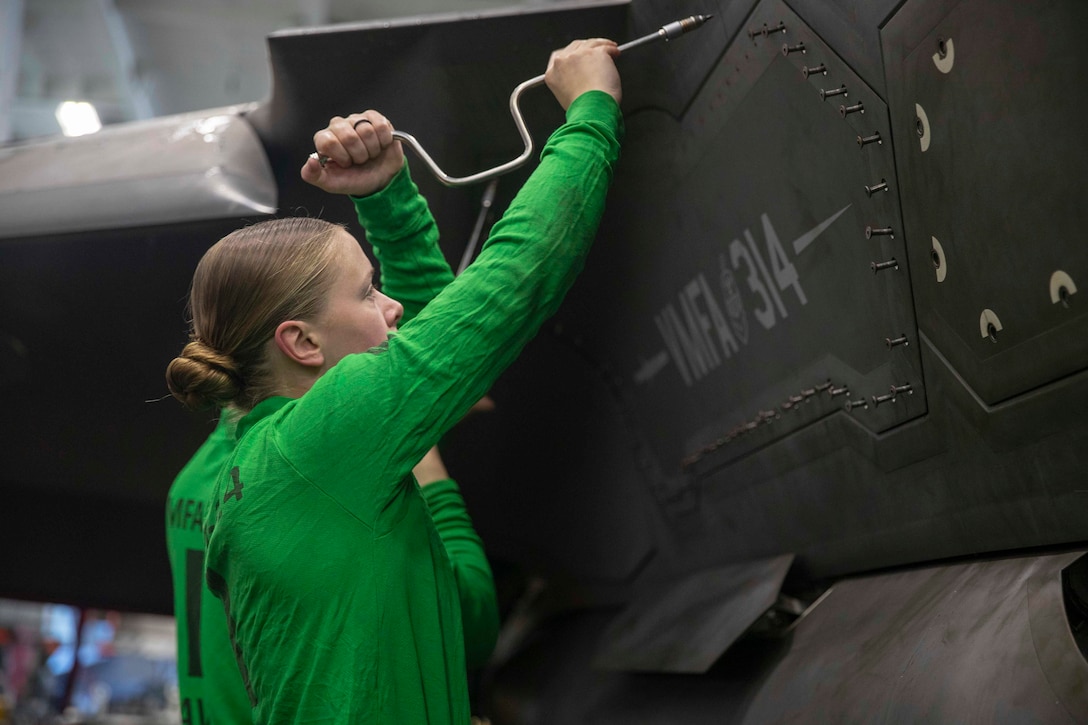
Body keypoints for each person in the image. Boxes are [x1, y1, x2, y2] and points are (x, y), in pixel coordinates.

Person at [164, 37, 623, 723]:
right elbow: (506, 285)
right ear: (302, 341)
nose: (393, 307)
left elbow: (436, 356)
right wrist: (591, 114)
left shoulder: (269, 461)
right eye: (367, 291)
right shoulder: (326, 437)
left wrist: (387, 196)